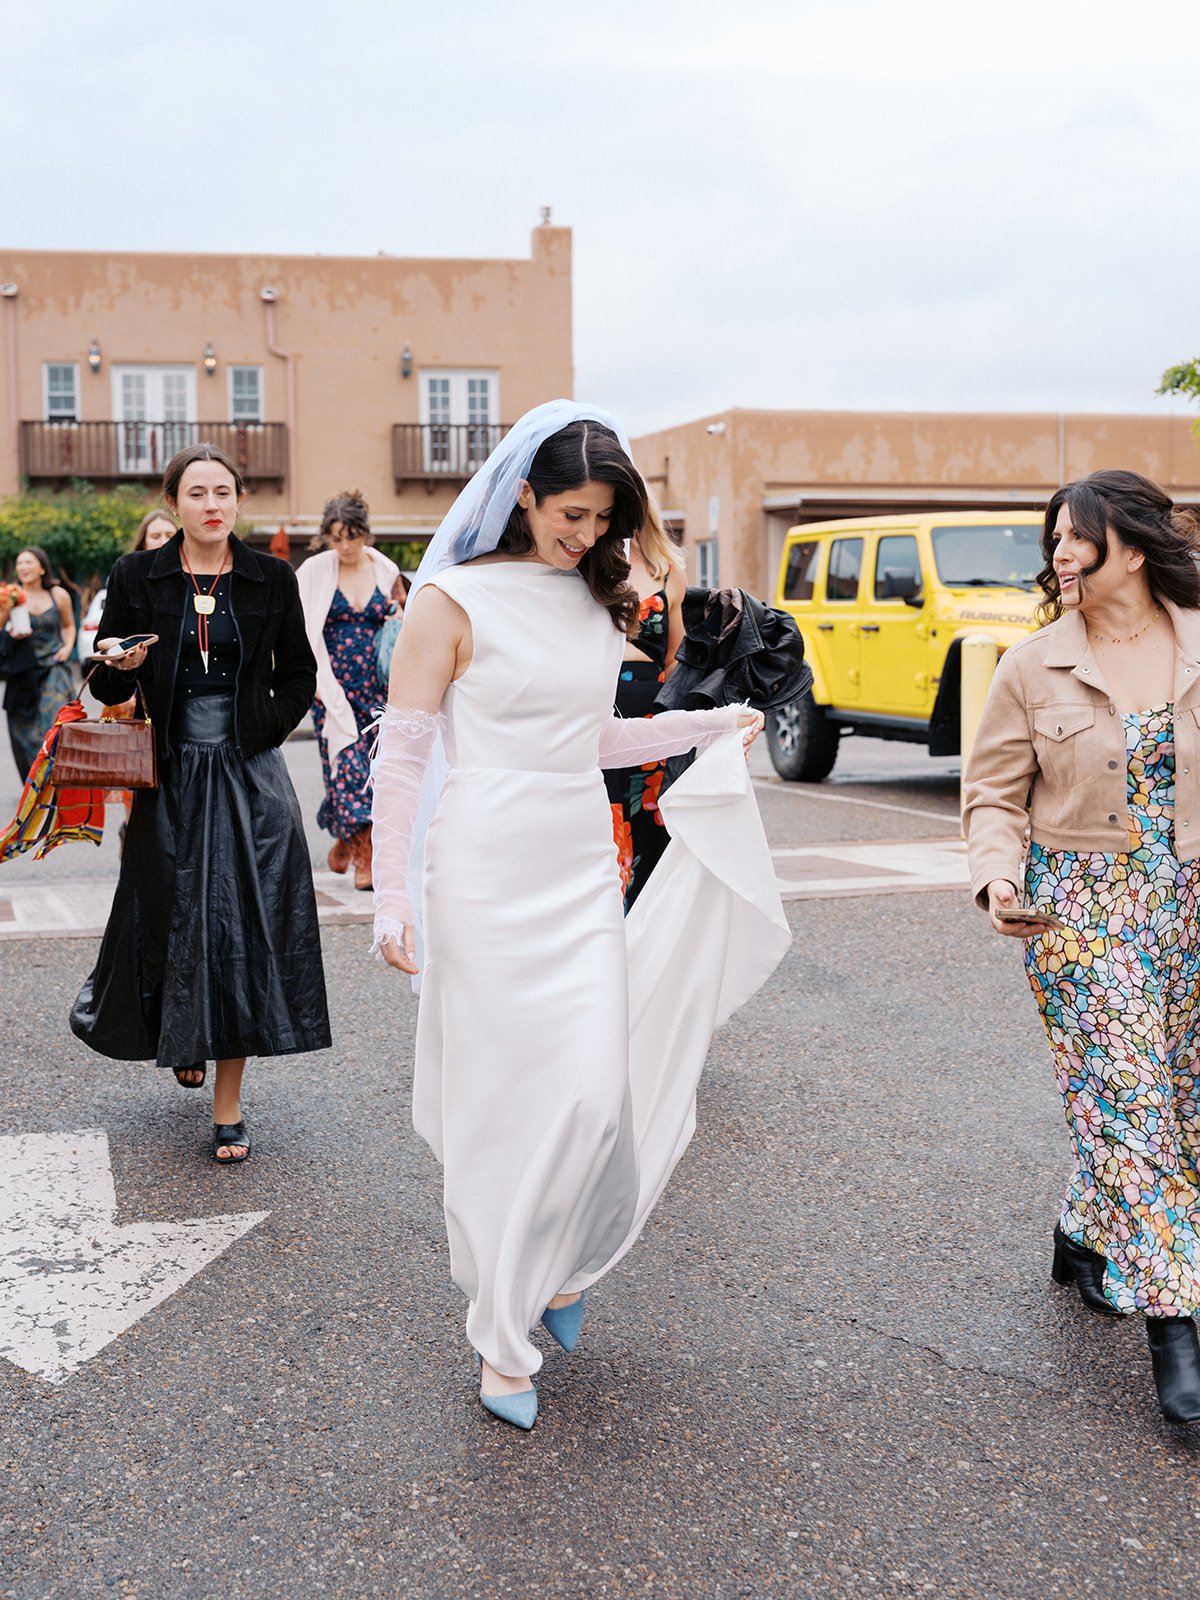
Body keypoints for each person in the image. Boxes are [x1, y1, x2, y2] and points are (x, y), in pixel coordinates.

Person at [371, 401, 791, 1430]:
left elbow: (589, 737)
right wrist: (391, 891)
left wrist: (706, 724)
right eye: (571, 512)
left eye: (604, 517)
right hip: (478, 871)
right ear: (522, 493)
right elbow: (405, 752)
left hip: (573, 868)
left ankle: (556, 1269)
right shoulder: (451, 601)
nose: (587, 534)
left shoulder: (593, 601)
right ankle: (500, 1340)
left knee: (596, 1098)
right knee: (501, 1106)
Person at [963, 468, 1200, 1426]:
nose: (1058, 554)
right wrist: (999, 880)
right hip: (1079, 914)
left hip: (1187, 899)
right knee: (1130, 1097)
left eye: (1077, 538)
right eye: (1053, 538)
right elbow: (990, 795)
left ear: (1133, 548)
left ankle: (1081, 1232)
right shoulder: (1033, 666)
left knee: (1174, 1100)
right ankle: (1174, 1327)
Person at [70, 442, 331, 1163]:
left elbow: (300, 674)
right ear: (174, 502)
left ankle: (229, 1104)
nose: (212, 504)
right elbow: (109, 687)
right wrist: (120, 668)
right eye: (197, 493)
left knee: (242, 927)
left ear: (238, 500)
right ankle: (182, 1035)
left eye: (224, 492)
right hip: (169, 774)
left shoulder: (271, 577)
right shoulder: (137, 575)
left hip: (250, 773)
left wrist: (257, 731)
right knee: (172, 916)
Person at [297, 492, 400, 891]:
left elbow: (399, 621)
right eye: (336, 538)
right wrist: (321, 689)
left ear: (365, 533)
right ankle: (364, 858)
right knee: (345, 769)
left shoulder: (385, 568)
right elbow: (303, 633)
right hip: (331, 691)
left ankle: (349, 841)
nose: (344, 547)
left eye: (352, 537)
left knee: (376, 774)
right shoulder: (314, 570)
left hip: (377, 691)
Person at [606, 498, 686, 909]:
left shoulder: (667, 570)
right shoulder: (585, 564)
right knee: (604, 817)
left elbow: (675, 660)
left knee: (650, 823)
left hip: (652, 713)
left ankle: (645, 928)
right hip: (596, 710)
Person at [0, 547, 76, 779]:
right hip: (22, 672)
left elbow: (68, 625)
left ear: (42, 567)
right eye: (20, 563)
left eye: (29, 562)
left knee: (54, 725)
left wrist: (67, 647)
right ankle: (37, 786)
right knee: (23, 734)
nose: (22, 567)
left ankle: (59, 780)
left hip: (54, 667)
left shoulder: (58, 595)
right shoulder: (10, 595)